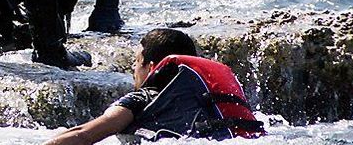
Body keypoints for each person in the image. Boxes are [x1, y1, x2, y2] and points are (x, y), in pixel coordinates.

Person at [42, 28, 264, 144]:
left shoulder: (145, 97)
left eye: (136, 62)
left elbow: (83, 136)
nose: (133, 68)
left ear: (151, 67)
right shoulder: (208, 95)